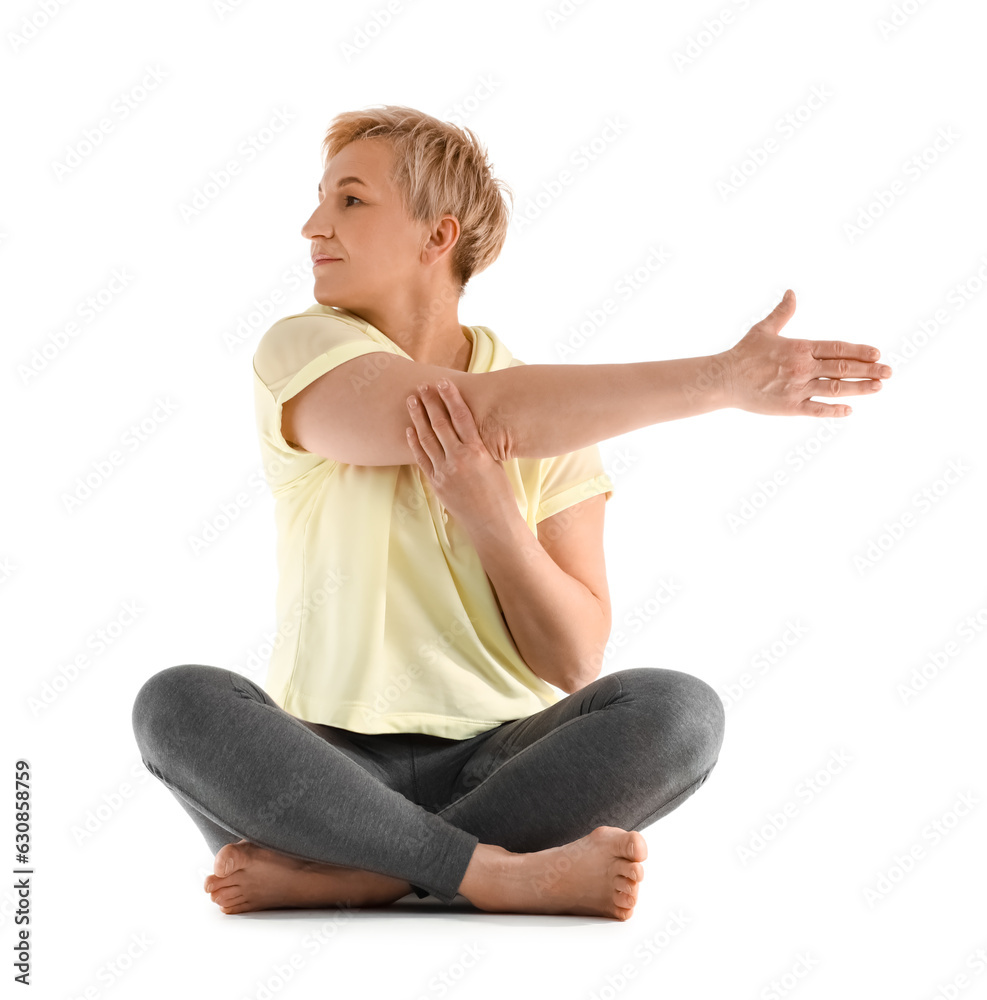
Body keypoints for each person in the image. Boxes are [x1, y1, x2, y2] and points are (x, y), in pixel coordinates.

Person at [131, 105, 892, 922]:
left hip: (502, 768)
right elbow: (466, 411)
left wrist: (489, 513)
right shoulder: (302, 348)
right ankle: (492, 876)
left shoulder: (561, 420)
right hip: (325, 772)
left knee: (679, 711)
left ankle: (369, 876)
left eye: (350, 201)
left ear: (436, 236)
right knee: (177, 702)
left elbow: (571, 659)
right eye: (321, 199)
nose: (314, 224)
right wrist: (719, 380)